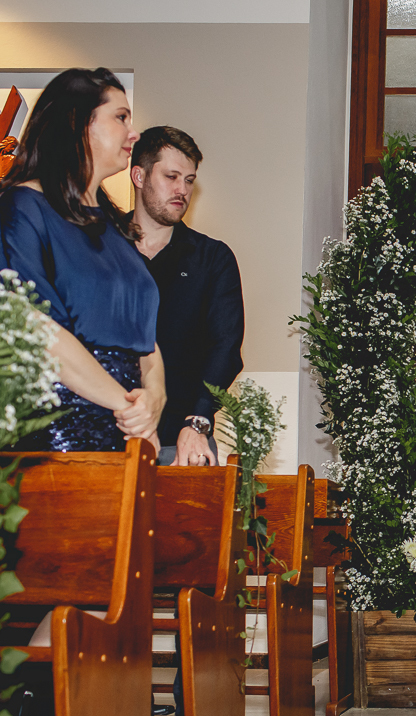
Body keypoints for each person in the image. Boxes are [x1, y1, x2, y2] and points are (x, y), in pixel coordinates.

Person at [0, 68, 164, 453]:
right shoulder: (23, 208)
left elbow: (144, 338)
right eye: (120, 117)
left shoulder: (116, 228)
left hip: (127, 426)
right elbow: (36, 327)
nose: (133, 133)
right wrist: (127, 407)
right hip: (58, 430)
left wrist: (154, 400)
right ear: (78, 123)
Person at [130, 126, 244, 467]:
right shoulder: (101, 249)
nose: (182, 190)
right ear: (139, 176)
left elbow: (226, 349)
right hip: (105, 440)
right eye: (171, 177)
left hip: (182, 443)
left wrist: (198, 421)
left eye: (190, 180)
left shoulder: (213, 258)